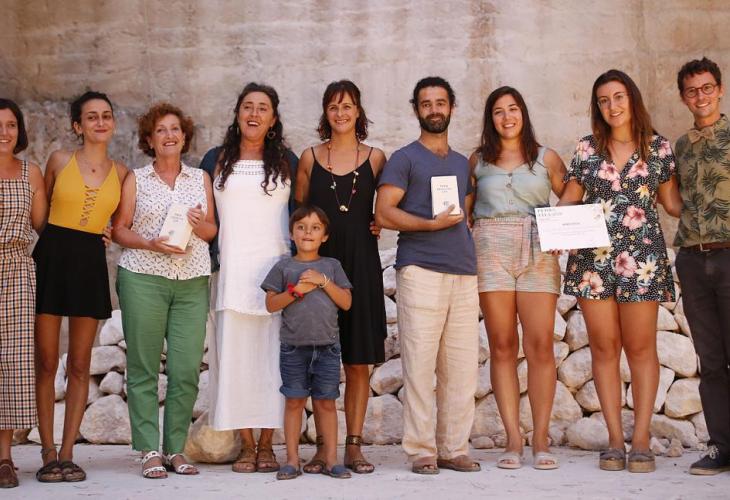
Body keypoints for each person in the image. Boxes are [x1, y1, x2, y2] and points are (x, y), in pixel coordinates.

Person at [557, 69, 682, 473]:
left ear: (632, 99)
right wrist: (551, 227)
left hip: (642, 261)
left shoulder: (658, 148)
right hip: (592, 264)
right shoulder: (587, 149)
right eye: (603, 100)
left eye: (618, 97)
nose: (612, 106)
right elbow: (569, 199)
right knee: (604, 348)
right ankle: (614, 440)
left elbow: (674, 204)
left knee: (642, 348)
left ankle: (641, 439)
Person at [375, 76, 480, 474]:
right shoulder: (404, 159)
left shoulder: (461, 163)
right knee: (419, 365)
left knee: (461, 367)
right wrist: (430, 225)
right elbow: (384, 212)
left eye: (440, 102)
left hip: (463, 271)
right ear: (416, 110)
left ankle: (454, 448)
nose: (434, 109)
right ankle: (421, 450)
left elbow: (465, 213)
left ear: (451, 107)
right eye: (426, 103)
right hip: (420, 269)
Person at [112, 102, 216, 479]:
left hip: (192, 281)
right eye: (161, 130)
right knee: (143, 367)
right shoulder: (136, 179)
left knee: (185, 368)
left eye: (175, 129)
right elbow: (119, 229)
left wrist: (199, 222)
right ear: (150, 140)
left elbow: (211, 232)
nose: (169, 136)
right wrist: (149, 243)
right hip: (143, 277)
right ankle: (149, 449)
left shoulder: (200, 178)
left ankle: (175, 448)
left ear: (184, 137)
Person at [468, 86, 567, 470]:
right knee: (502, 345)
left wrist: (563, 231)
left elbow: (572, 195)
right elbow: (462, 209)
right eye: (498, 111)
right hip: (490, 248)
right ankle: (513, 439)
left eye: (513, 109)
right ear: (490, 119)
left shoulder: (546, 157)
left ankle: (540, 438)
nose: (507, 117)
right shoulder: (478, 160)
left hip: (538, 247)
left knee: (540, 345)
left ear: (523, 113)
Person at [33, 91, 128, 483]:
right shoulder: (58, 160)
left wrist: (109, 233)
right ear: (78, 125)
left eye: (106, 115)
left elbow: (121, 225)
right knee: (46, 361)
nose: (100, 122)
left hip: (90, 263)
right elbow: (40, 217)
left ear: (113, 123)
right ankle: (47, 451)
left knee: (79, 363)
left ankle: (68, 452)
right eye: (92, 117)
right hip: (52, 258)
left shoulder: (122, 173)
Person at [295, 80, 386, 473]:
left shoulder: (377, 158)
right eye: (333, 106)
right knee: (320, 359)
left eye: (347, 106)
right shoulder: (310, 158)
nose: (341, 113)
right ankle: (323, 448)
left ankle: (354, 447)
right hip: (320, 266)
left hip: (361, 266)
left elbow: (390, 203)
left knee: (357, 362)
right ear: (325, 113)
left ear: (358, 110)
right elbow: (299, 215)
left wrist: (381, 221)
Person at [207, 83, 292, 473]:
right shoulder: (216, 159)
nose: (254, 114)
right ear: (237, 113)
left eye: (262, 108)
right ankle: (245, 444)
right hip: (232, 274)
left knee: (273, 363)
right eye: (247, 106)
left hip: (277, 277)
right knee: (236, 362)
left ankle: (268, 443)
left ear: (273, 119)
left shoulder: (288, 161)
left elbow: (307, 212)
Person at [262, 205, 353, 480]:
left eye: (315, 228)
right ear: (291, 234)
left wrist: (322, 281)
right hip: (293, 348)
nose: (307, 233)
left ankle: (331, 460)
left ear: (325, 236)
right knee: (294, 402)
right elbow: (271, 304)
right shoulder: (284, 267)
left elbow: (346, 302)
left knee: (326, 403)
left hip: (327, 347)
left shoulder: (332, 266)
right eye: (301, 227)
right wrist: (297, 291)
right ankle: (291, 461)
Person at [673, 57, 730, 476]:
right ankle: (721, 447)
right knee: (710, 361)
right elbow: (675, 202)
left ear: (720, 90)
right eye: (692, 90)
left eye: (707, 88)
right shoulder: (680, 146)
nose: (701, 96)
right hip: (693, 260)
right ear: (683, 97)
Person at [0, 99, 47, 489]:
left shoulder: (32, 172)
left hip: (17, 269)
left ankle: (5, 458)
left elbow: (45, 224)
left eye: (11, 125)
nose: (5, 132)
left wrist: (96, 231)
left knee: (12, 363)